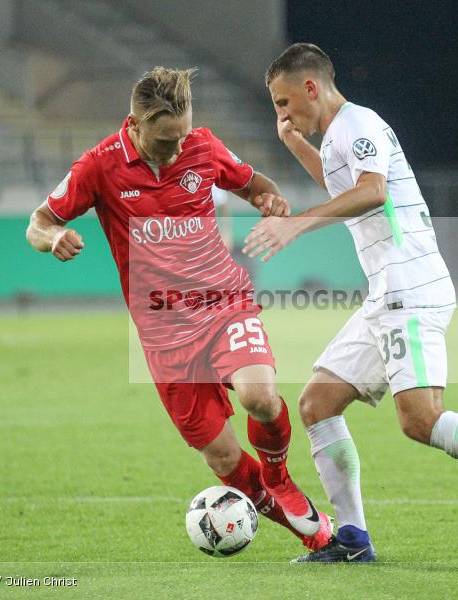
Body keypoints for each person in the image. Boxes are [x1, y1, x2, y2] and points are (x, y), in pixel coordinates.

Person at [248, 43, 458, 563]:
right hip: (386, 292)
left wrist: (297, 223)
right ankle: (354, 541)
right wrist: (294, 143)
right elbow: (344, 186)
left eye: (283, 102)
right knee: (317, 403)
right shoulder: (339, 135)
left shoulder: (358, 125)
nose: (282, 113)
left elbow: (372, 192)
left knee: (420, 419)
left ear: (310, 88)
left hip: (409, 287)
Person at [25, 67, 332, 552]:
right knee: (224, 457)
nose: (175, 150)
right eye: (164, 140)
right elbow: (39, 222)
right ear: (133, 125)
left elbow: (255, 183)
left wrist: (269, 199)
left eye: (182, 137)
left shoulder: (203, 146)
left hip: (223, 303)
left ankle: (279, 476)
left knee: (259, 396)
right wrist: (54, 237)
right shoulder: (98, 166)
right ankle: (310, 531)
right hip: (165, 336)